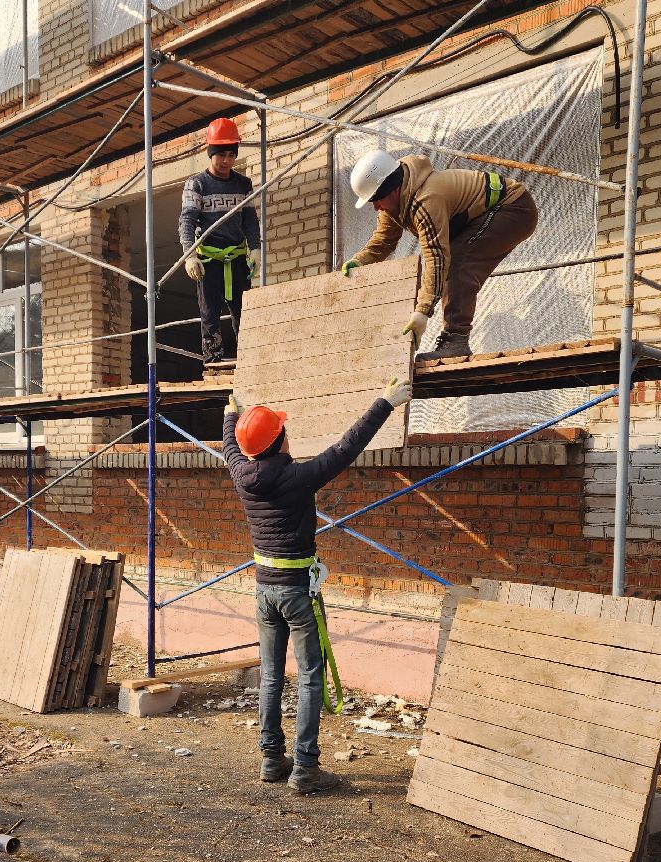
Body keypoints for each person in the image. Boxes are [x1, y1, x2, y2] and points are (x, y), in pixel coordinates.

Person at [223, 376, 415, 794]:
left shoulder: (242, 474)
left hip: (263, 590)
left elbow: (230, 446)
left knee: (272, 676)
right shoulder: (299, 477)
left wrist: (230, 414)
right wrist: (384, 402)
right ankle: (305, 768)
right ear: (280, 441)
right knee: (311, 676)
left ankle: (272, 759)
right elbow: (346, 448)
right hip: (296, 592)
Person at [341, 150, 538, 362]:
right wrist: (361, 260)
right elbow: (384, 240)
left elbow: (436, 258)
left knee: (457, 263)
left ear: (393, 189)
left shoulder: (427, 200)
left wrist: (422, 312)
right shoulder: (392, 205)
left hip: (513, 208)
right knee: (454, 258)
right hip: (482, 214)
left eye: (376, 199)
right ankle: (454, 339)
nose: (375, 207)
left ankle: (456, 341)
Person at [180, 118, 262, 366]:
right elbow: (187, 220)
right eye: (220, 155)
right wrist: (189, 255)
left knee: (243, 311)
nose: (226, 161)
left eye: (231, 155)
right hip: (209, 258)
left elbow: (250, 219)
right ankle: (213, 360)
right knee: (209, 313)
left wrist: (255, 247)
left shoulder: (243, 184)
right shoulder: (197, 185)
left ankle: (247, 359)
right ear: (210, 153)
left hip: (236, 257)